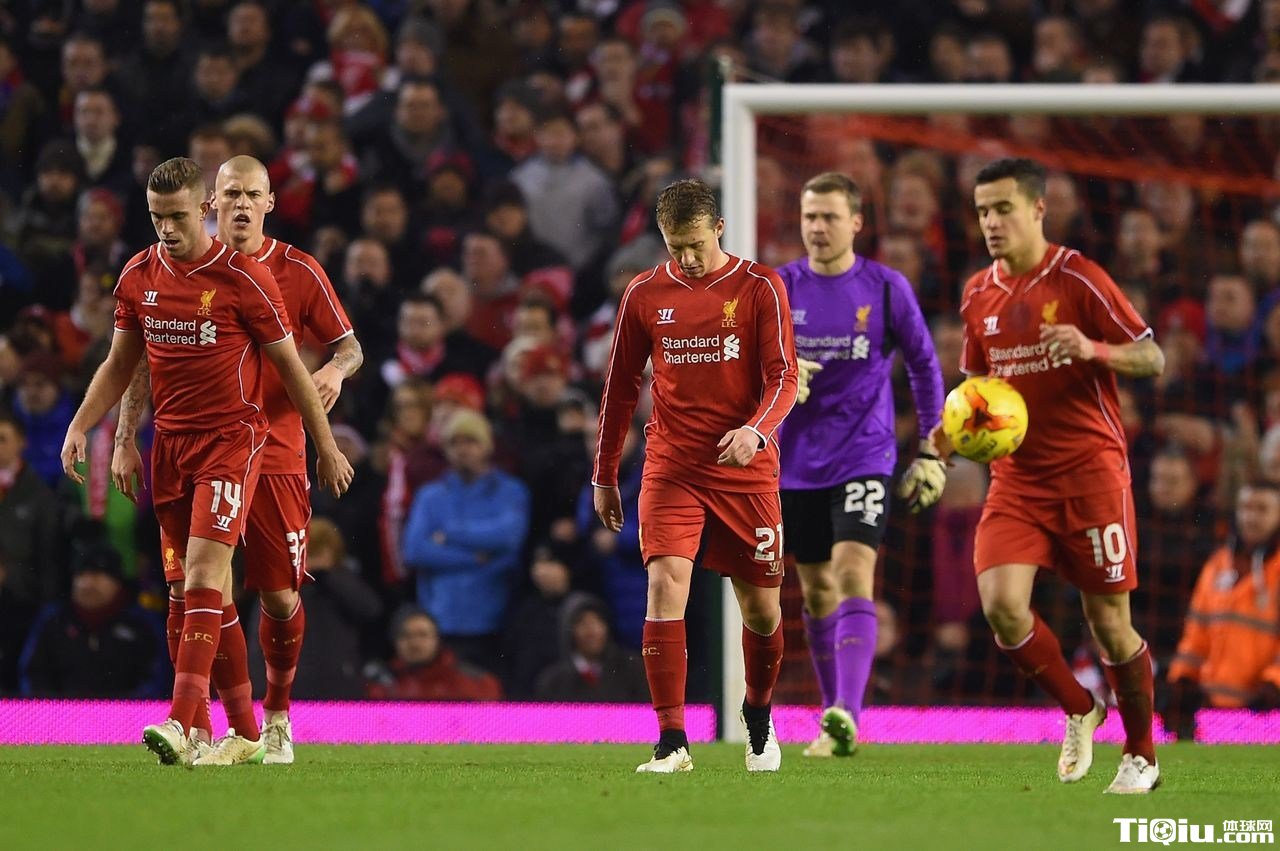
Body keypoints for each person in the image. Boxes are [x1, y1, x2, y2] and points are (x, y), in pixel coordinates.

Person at [59, 156, 353, 767]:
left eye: (252, 194)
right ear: (215, 202)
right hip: (174, 447)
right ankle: (226, 730)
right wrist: (107, 431)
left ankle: (260, 717)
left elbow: (315, 359)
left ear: (264, 202)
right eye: (231, 194)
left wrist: (327, 430)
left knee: (271, 594)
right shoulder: (140, 274)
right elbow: (132, 362)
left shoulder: (272, 274)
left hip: (251, 445)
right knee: (189, 588)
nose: (240, 205)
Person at [932, 157, 1166, 794]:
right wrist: (948, 434)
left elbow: (1152, 356)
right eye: (983, 211)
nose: (991, 222)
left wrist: (1094, 349)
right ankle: (1080, 708)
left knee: (1109, 625)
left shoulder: (1079, 277)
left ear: (1038, 209)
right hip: (1018, 481)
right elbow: (978, 388)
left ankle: (1141, 753)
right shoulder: (977, 293)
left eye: (1003, 208)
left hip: (1091, 476)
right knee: (1003, 609)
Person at [593, 178, 798, 773]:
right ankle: (672, 741)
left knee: (761, 610)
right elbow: (620, 388)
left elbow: (783, 377)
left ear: (719, 229)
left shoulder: (760, 286)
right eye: (675, 246)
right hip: (672, 467)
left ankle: (757, 714)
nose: (686, 258)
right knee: (665, 584)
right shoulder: (643, 293)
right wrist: (604, 474)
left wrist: (756, 430)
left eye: (696, 245)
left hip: (746, 470)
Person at [776, 172, 945, 758]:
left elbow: (924, 366)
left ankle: (849, 709)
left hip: (864, 454)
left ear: (856, 223)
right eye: (809, 217)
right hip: (795, 463)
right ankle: (834, 721)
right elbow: (741, 366)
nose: (817, 228)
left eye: (829, 217)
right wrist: (779, 377)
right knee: (816, 587)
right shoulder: (778, 289)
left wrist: (932, 448)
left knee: (853, 570)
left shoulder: (887, 288)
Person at [1163, 482, 1280, 740]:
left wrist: (1274, 685)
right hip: (1211, 712)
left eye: (1262, 509)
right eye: (1246, 508)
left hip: (1267, 714)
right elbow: (1196, 634)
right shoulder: (1217, 565)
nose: (1251, 517)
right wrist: (1182, 679)